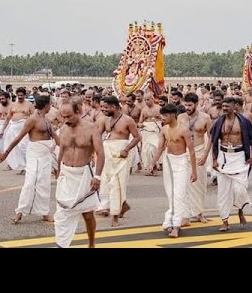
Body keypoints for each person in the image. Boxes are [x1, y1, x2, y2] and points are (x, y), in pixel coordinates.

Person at [0, 95, 59, 224]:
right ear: (46, 105)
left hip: (46, 155)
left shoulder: (46, 119)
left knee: (44, 183)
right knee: (30, 182)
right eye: (50, 104)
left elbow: (55, 137)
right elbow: (19, 137)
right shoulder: (32, 119)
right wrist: (6, 153)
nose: (51, 106)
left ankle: (44, 212)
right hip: (34, 154)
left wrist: (69, 150)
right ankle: (19, 212)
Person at [54, 101, 105, 248]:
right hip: (66, 174)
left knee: (88, 215)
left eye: (69, 116)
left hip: (84, 175)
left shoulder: (91, 128)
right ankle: (61, 245)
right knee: (62, 213)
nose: (66, 120)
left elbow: (100, 154)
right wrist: (58, 171)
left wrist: (97, 176)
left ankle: (91, 243)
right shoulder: (63, 129)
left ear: (78, 111)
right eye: (63, 117)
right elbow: (62, 151)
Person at [210, 97, 252, 232]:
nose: (225, 108)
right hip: (224, 157)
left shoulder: (243, 121)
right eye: (223, 106)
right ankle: (225, 221)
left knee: (239, 190)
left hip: (240, 158)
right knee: (223, 192)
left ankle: (240, 211)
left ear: (234, 106)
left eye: (227, 106)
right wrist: (214, 159)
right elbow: (213, 141)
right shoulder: (219, 122)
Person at [147, 104, 197, 238]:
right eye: (162, 115)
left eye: (165, 115)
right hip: (168, 161)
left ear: (173, 115)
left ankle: (175, 225)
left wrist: (194, 171)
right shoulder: (164, 130)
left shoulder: (184, 130)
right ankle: (171, 221)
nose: (162, 118)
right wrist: (152, 163)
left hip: (181, 162)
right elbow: (159, 148)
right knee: (171, 193)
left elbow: (191, 151)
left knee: (179, 194)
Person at [96, 96, 141, 227]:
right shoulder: (105, 120)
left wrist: (126, 149)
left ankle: (114, 216)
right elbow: (98, 136)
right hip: (107, 154)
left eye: (106, 107)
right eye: (102, 107)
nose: (103, 110)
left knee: (118, 185)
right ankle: (124, 205)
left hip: (121, 155)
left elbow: (138, 137)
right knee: (107, 183)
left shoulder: (128, 120)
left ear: (114, 107)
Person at [177, 92, 213, 225]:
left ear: (196, 104)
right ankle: (185, 216)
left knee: (199, 185)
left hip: (199, 152)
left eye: (190, 105)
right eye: (185, 105)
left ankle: (199, 213)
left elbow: (211, 138)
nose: (187, 108)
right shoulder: (180, 117)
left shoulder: (205, 118)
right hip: (183, 153)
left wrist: (205, 155)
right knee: (184, 185)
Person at [0, 87, 35, 173]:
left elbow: (34, 117)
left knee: (24, 147)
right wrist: (3, 130)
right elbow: (8, 118)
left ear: (25, 95)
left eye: (21, 95)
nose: (20, 97)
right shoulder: (13, 105)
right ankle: (18, 165)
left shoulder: (29, 105)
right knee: (12, 147)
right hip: (13, 127)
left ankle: (28, 167)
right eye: (18, 95)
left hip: (24, 128)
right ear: (16, 95)